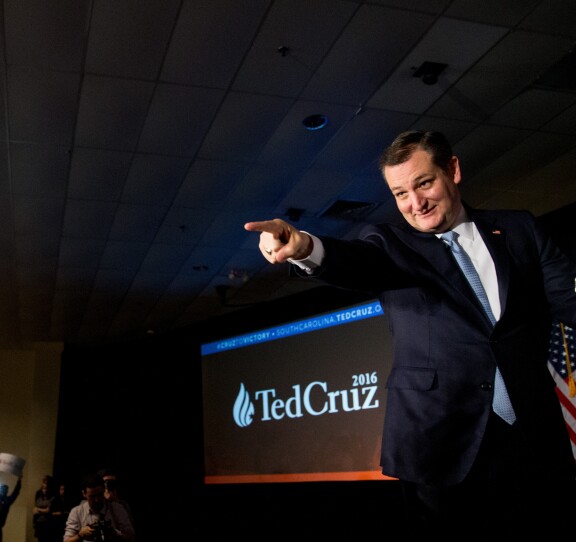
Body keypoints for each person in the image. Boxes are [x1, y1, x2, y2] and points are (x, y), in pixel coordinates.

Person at [244, 129, 576, 535]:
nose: (415, 204)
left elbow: (568, 297)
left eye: (423, 183)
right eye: (401, 194)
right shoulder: (390, 244)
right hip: (439, 445)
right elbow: (356, 262)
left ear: (452, 169)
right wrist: (303, 247)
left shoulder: (518, 229)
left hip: (530, 436)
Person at [63, 473, 135, 542]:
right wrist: (80, 535)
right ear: (84, 494)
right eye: (92, 496)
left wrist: (115, 533)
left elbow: (132, 537)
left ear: (104, 489)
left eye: (100, 495)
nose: (97, 500)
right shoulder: (77, 512)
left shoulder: (117, 509)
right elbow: (66, 540)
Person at [31, 475, 56, 542]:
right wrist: (41, 510)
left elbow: (48, 510)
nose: (44, 485)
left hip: (47, 523)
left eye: (46, 483)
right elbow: (35, 508)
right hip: (39, 522)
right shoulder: (38, 494)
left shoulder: (52, 496)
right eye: (43, 483)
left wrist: (38, 510)